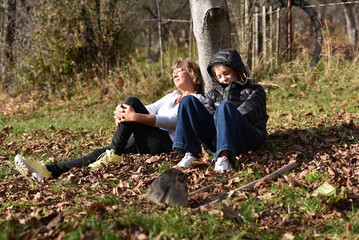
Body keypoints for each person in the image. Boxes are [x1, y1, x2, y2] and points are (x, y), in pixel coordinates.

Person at [14, 58, 204, 181]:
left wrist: (133, 115)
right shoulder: (172, 95)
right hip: (148, 139)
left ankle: (114, 152)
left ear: (194, 76)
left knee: (131, 103)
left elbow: (171, 121)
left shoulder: (196, 100)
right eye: (174, 71)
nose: (174, 73)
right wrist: (124, 113)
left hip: (166, 144)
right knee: (100, 152)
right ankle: (49, 171)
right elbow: (150, 109)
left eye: (180, 70)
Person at [173, 48, 269, 173]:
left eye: (226, 73)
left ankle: (224, 157)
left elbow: (250, 112)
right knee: (187, 101)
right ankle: (190, 154)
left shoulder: (255, 90)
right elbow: (206, 114)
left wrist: (224, 121)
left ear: (237, 70)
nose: (223, 79)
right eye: (219, 76)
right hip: (216, 140)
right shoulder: (213, 94)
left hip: (247, 138)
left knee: (225, 107)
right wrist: (217, 133)